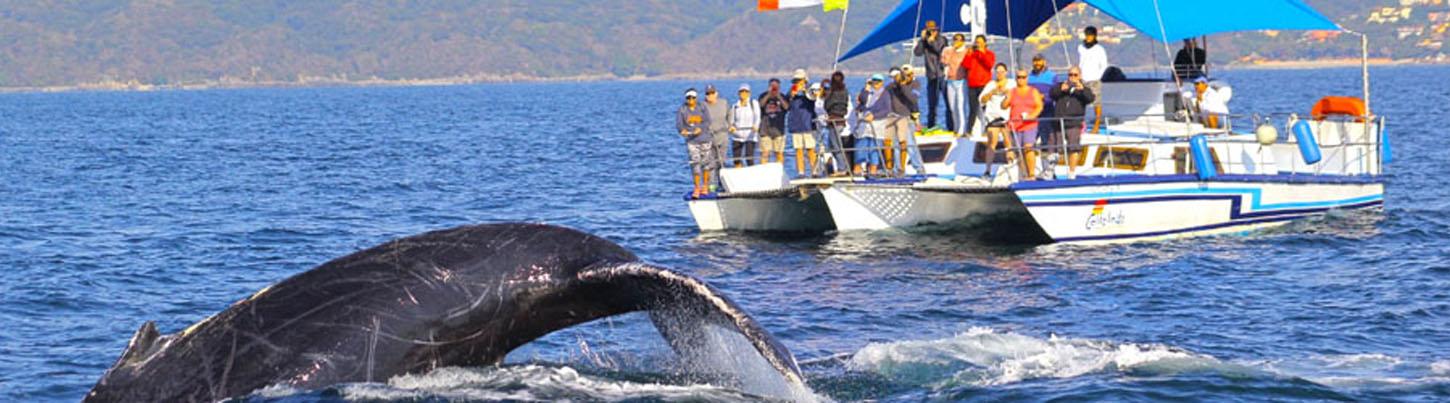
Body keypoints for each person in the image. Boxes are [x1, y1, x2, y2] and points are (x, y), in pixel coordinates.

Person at [1050, 66, 1096, 178]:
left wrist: (1081, 90)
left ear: (1079, 76)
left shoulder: (1084, 89)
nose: (1072, 78)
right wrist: (1061, 89)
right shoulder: (1061, 86)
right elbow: (1052, 94)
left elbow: (1090, 98)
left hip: (1074, 123)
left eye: (1075, 75)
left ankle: (1072, 172)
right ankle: (1051, 171)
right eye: (1070, 75)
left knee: (1073, 148)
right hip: (1059, 122)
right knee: (1055, 148)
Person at [1003, 70, 1044, 180]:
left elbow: (1039, 106)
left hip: (1029, 124)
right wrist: (1006, 98)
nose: (1020, 79)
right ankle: (1024, 174)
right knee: (1019, 151)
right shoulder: (1012, 91)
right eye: (1018, 77)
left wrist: (1032, 116)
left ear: (1027, 78)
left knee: (1028, 147)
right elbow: (1004, 106)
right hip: (1015, 125)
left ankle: (1031, 174)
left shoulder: (1033, 91)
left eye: (1023, 77)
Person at [676, 88, 715, 197]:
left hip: (705, 139)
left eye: (693, 97)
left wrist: (701, 128)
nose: (691, 100)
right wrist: (682, 131)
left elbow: (708, 121)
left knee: (706, 164)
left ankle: (705, 186)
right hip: (692, 141)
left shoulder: (702, 107)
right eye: (688, 98)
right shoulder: (682, 110)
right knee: (695, 164)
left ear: (696, 98)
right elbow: (679, 124)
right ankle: (697, 187)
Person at [913, 20, 950, 131]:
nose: (931, 31)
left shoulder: (942, 39)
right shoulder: (925, 40)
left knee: (948, 102)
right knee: (931, 103)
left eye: (933, 29)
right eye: (929, 29)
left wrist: (932, 41)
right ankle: (931, 126)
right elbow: (917, 53)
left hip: (942, 73)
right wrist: (922, 39)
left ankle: (951, 126)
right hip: (931, 75)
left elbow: (939, 51)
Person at [884, 64, 920, 176]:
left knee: (909, 143)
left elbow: (913, 99)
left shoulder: (915, 85)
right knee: (896, 144)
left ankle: (919, 167)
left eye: (908, 75)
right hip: (894, 117)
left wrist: (903, 86)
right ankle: (898, 169)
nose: (906, 77)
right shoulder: (892, 86)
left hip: (907, 117)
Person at [978, 63, 1013, 176]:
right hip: (993, 118)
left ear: (1006, 72)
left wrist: (1008, 93)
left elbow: (1017, 96)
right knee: (991, 143)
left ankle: (1011, 164)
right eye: (997, 72)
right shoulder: (991, 84)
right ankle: (988, 169)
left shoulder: (1012, 83)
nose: (1000, 74)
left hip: (1007, 118)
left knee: (1009, 142)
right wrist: (991, 93)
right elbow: (981, 100)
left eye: (1002, 72)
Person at [960, 34, 997, 137]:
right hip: (972, 84)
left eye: (980, 42)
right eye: (977, 42)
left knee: (986, 109)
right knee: (973, 109)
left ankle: (988, 130)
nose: (978, 44)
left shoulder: (989, 54)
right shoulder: (972, 54)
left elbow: (989, 65)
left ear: (985, 43)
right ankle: (968, 131)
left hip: (984, 84)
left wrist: (981, 53)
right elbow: (965, 65)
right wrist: (968, 54)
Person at [786, 70, 819, 177]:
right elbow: (786, 103)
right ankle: (801, 172)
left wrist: (805, 91)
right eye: (796, 80)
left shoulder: (811, 89)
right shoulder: (791, 91)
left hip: (809, 124)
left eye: (800, 80)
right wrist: (792, 94)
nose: (798, 82)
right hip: (796, 124)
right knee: (798, 150)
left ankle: (815, 171)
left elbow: (815, 99)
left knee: (811, 149)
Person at [856, 74, 890, 176]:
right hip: (864, 124)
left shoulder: (885, 94)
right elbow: (862, 101)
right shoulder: (868, 92)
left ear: (882, 82)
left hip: (877, 124)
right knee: (860, 146)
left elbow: (887, 110)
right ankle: (857, 169)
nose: (876, 83)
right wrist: (866, 88)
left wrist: (874, 116)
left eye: (878, 81)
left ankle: (873, 170)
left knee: (874, 148)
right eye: (874, 81)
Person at [1077, 26, 1109, 131]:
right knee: (1081, 102)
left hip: (1094, 79)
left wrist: (1098, 77)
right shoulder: (1080, 47)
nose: (1088, 37)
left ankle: (1097, 125)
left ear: (1094, 36)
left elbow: (1103, 65)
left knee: (1096, 103)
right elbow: (1081, 62)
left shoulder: (1099, 49)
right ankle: (1081, 124)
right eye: (1087, 35)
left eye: (1090, 35)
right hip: (1083, 79)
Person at [823, 71, 854, 175]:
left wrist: (827, 95)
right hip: (841, 120)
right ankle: (843, 166)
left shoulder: (833, 92)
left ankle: (842, 168)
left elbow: (827, 105)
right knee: (835, 145)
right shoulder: (845, 91)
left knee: (835, 146)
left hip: (834, 121)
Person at [1026, 54, 1058, 154]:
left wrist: (1044, 96)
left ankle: (1047, 161)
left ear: (1044, 62)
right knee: (1030, 139)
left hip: (1047, 110)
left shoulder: (1052, 76)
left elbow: (1056, 93)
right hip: (1032, 111)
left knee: (1047, 138)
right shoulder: (1028, 77)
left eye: (1039, 61)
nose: (1037, 63)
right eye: (1035, 61)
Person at [941, 33, 970, 136]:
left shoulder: (966, 51)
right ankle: (956, 127)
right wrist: (952, 50)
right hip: (950, 81)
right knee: (952, 107)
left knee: (960, 106)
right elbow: (944, 62)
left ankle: (962, 129)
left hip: (962, 81)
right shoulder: (949, 50)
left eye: (958, 39)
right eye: (955, 39)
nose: (956, 41)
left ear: (963, 41)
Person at [726, 84, 760, 167]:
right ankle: (738, 174)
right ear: (739, 93)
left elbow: (757, 116)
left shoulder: (753, 103)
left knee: (749, 158)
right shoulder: (735, 106)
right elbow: (731, 121)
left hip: (750, 135)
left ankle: (752, 174)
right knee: (736, 160)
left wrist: (756, 126)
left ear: (749, 93)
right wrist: (731, 127)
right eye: (742, 91)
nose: (744, 93)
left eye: (746, 91)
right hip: (737, 136)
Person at [758, 77, 790, 164]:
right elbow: (760, 105)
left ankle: (779, 171)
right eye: (772, 86)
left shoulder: (782, 97)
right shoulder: (763, 96)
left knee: (779, 153)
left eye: (776, 86)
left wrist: (778, 96)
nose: (774, 88)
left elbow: (787, 107)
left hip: (779, 130)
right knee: (765, 153)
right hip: (765, 130)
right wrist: (769, 94)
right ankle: (763, 172)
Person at [702, 84, 729, 177]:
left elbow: (730, 115)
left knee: (722, 162)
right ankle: (712, 186)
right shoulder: (702, 106)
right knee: (710, 163)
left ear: (716, 93)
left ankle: (723, 184)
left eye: (712, 93)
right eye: (708, 94)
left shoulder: (724, 103)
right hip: (708, 139)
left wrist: (730, 125)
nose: (710, 96)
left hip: (722, 137)